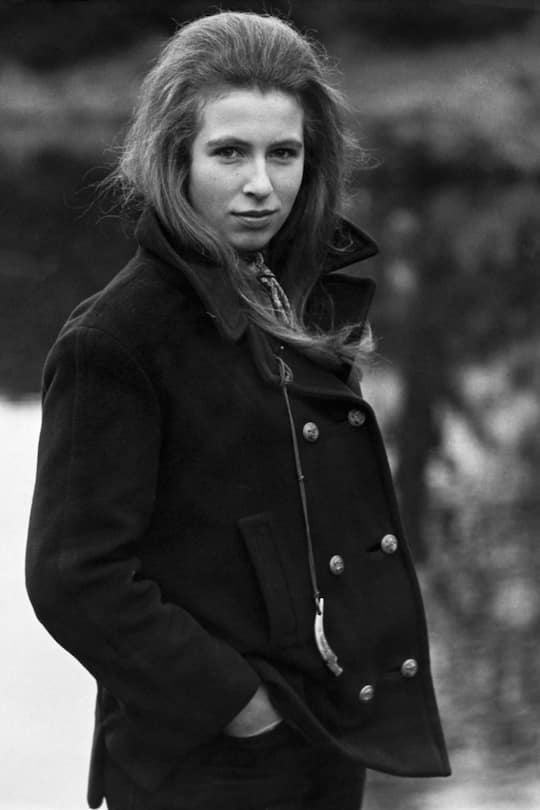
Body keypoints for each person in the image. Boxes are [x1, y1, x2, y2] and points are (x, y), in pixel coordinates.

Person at [26, 11, 450, 810]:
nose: (262, 184)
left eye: (283, 153)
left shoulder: (292, 297)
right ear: (174, 157)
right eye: (230, 152)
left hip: (323, 736)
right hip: (202, 763)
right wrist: (240, 709)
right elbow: (73, 576)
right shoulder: (116, 339)